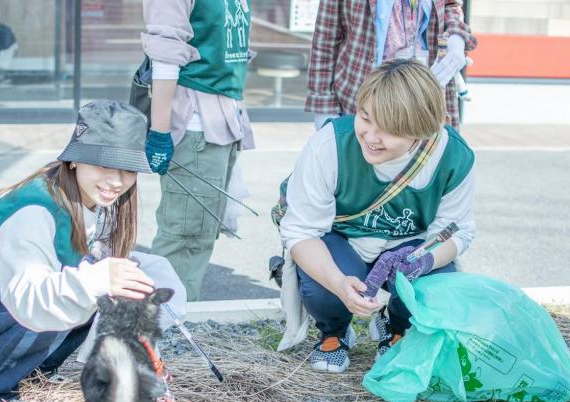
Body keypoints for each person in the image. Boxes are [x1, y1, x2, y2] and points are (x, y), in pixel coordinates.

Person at [0, 101, 187, 402]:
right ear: (74, 160)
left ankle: (29, 373)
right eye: (103, 164)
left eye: (127, 169)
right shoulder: (34, 208)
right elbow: (27, 297)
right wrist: (95, 282)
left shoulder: (88, 196)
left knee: (96, 291)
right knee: (70, 295)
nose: (116, 181)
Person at [279, 59, 476, 372]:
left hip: (409, 245)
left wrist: (426, 260)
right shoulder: (329, 145)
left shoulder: (452, 155)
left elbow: (457, 232)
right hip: (341, 240)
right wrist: (338, 281)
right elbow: (301, 232)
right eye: (365, 118)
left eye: (389, 130)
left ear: (421, 130)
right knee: (322, 285)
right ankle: (334, 331)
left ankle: (396, 328)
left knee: (435, 285)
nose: (371, 136)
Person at [141, 0, 255, 301]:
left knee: (200, 234)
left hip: (223, 120)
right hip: (194, 124)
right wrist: (160, 131)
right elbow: (165, 52)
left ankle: (174, 320)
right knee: (184, 235)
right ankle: (161, 327)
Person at [306, 0, 477, 130]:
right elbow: (325, 37)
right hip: (364, 98)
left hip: (424, 94)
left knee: (424, 172)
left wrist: (456, 35)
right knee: (363, 170)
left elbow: (450, 4)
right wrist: (324, 106)